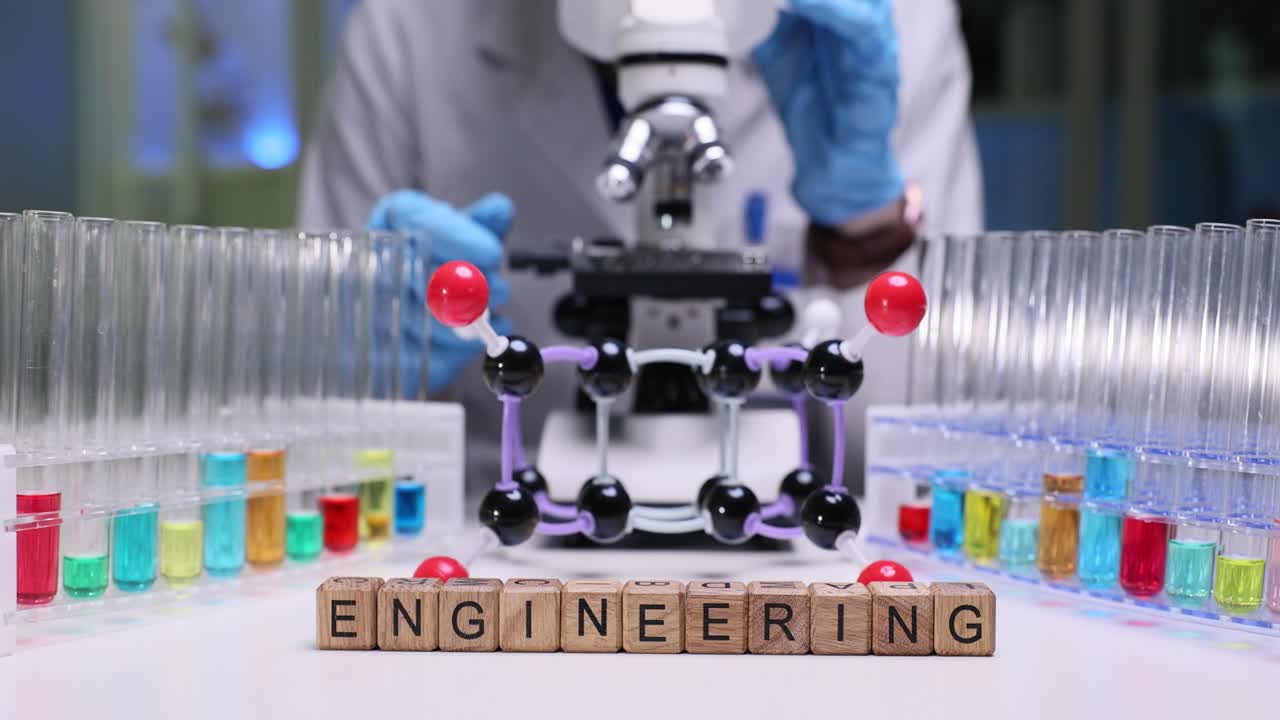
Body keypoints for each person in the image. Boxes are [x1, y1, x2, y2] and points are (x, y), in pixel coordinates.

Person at [298, 0, 983, 492]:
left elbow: (932, 460)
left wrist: (864, 229)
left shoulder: (895, 20)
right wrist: (362, 350)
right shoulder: (409, 28)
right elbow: (311, 446)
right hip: (499, 544)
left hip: (788, 557)